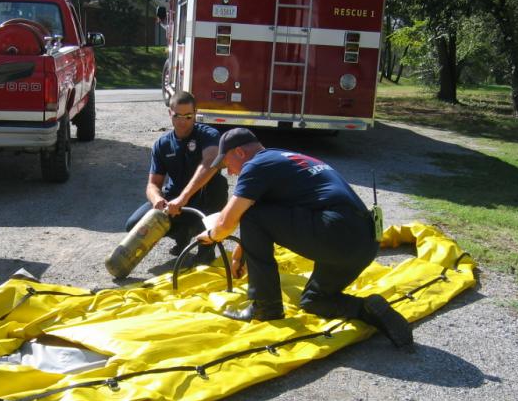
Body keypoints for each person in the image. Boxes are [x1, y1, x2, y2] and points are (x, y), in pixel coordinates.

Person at [195, 127, 413, 350]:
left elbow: (227, 223)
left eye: (226, 164)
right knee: (314, 301)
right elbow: (268, 209)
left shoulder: (256, 166)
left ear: (239, 152)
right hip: (364, 242)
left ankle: (265, 307)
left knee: (251, 216)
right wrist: (240, 254)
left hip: (337, 234)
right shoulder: (285, 158)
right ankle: (367, 308)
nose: (230, 172)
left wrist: (211, 235)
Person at [125, 91, 228, 261]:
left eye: (188, 116)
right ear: (169, 113)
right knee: (132, 225)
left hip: (201, 199)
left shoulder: (208, 135)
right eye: (177, 116)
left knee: (219, 183)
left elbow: (210, 163)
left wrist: (183, 198)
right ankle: (182, 235)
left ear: (196, 113)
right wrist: (157, 199)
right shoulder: (162, 144)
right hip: (173, 201)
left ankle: (206, 247)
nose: (182, 121)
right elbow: (153, 184)